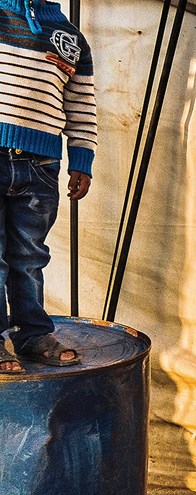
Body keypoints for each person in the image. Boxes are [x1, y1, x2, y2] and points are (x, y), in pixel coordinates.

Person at [0, 0, 96, 373]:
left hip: (39, 167)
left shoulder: (69, 36)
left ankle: (33, 335)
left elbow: (82, 102)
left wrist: (82, 161)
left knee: (29, 257)